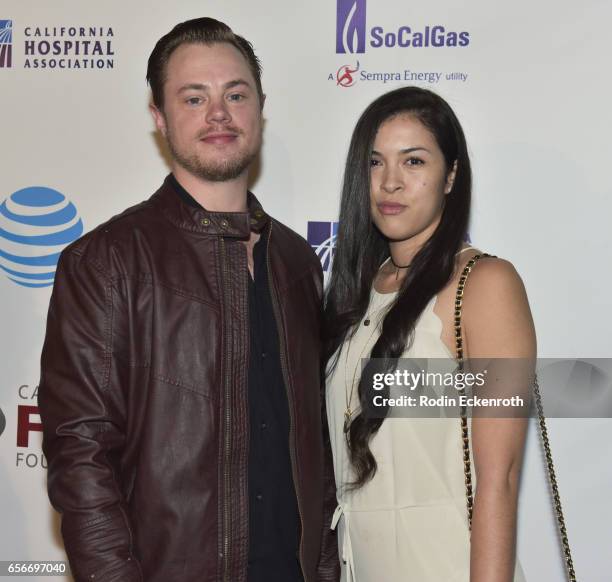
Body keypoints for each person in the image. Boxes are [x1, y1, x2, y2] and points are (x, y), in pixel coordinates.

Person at [38, 17, 339, 582]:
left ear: (259, 107)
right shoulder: (105, 261)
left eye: (235, 94)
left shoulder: (297, 263)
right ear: (159, 116)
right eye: (193, 97)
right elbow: (80, 456)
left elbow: (314, 448)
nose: (218, 113)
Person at [323, 87, 535, 581]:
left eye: (413, 161)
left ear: (451, 176)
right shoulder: (355, 297)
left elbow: (498, 480)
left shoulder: (483, 285)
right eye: (376, 163)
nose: (390, 182)